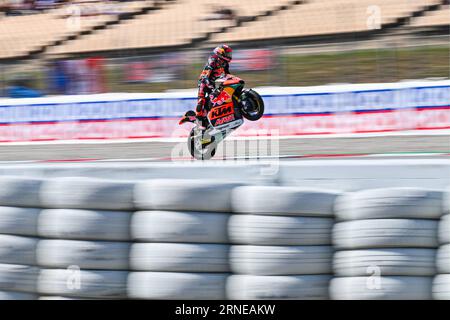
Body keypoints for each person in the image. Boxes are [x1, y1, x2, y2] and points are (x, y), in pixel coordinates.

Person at [196, 44, 233, 125]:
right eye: (227, 53)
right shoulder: (213, 59)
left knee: (215, 101)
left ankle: (210, 119)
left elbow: (228, 75)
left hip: (215, 83)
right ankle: (198, 120)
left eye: (229, 54)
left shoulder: (225, 63)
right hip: (204, 82)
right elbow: (206, 76)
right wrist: (210, 86)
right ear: (221, 52)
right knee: (201, 101)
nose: (229, 56)